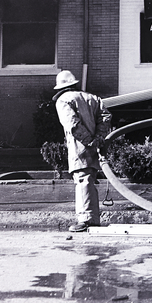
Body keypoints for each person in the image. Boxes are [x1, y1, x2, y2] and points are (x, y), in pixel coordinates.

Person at [53, 69, 113, 232]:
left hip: (80, 147)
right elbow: (106, 117)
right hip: (94, 146)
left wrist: (89, 141)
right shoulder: (93, 98)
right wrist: (98, 138)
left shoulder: (63, 100)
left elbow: (72, 124)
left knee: (83, 180)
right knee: (89, 179)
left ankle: (87, 220)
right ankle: (91, 218)